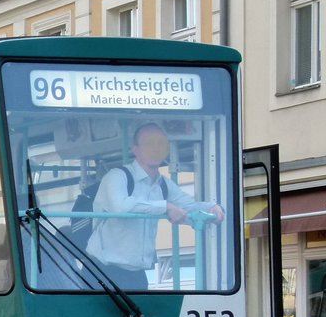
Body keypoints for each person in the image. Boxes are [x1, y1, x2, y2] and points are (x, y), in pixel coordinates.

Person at [86, 123, 224, 290]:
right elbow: (120, 206)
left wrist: (213, 208)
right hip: (100, 272)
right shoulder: (117, 176)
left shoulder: (164, 185)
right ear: (136, 150)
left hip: (136, 274)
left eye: (161, 143)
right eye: (149, 143)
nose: (155, 148)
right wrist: (165, 207)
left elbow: (188, 206)